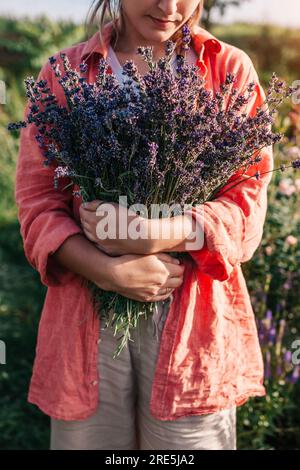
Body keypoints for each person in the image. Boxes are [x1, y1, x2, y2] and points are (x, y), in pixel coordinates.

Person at [15, 0, 273, 450]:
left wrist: (161, 233)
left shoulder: (228, 69)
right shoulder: (64, 73)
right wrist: (104, 270)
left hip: (194, 322)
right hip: (87, 319)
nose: (169, 6)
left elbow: (247, 206)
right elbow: (37, 204)